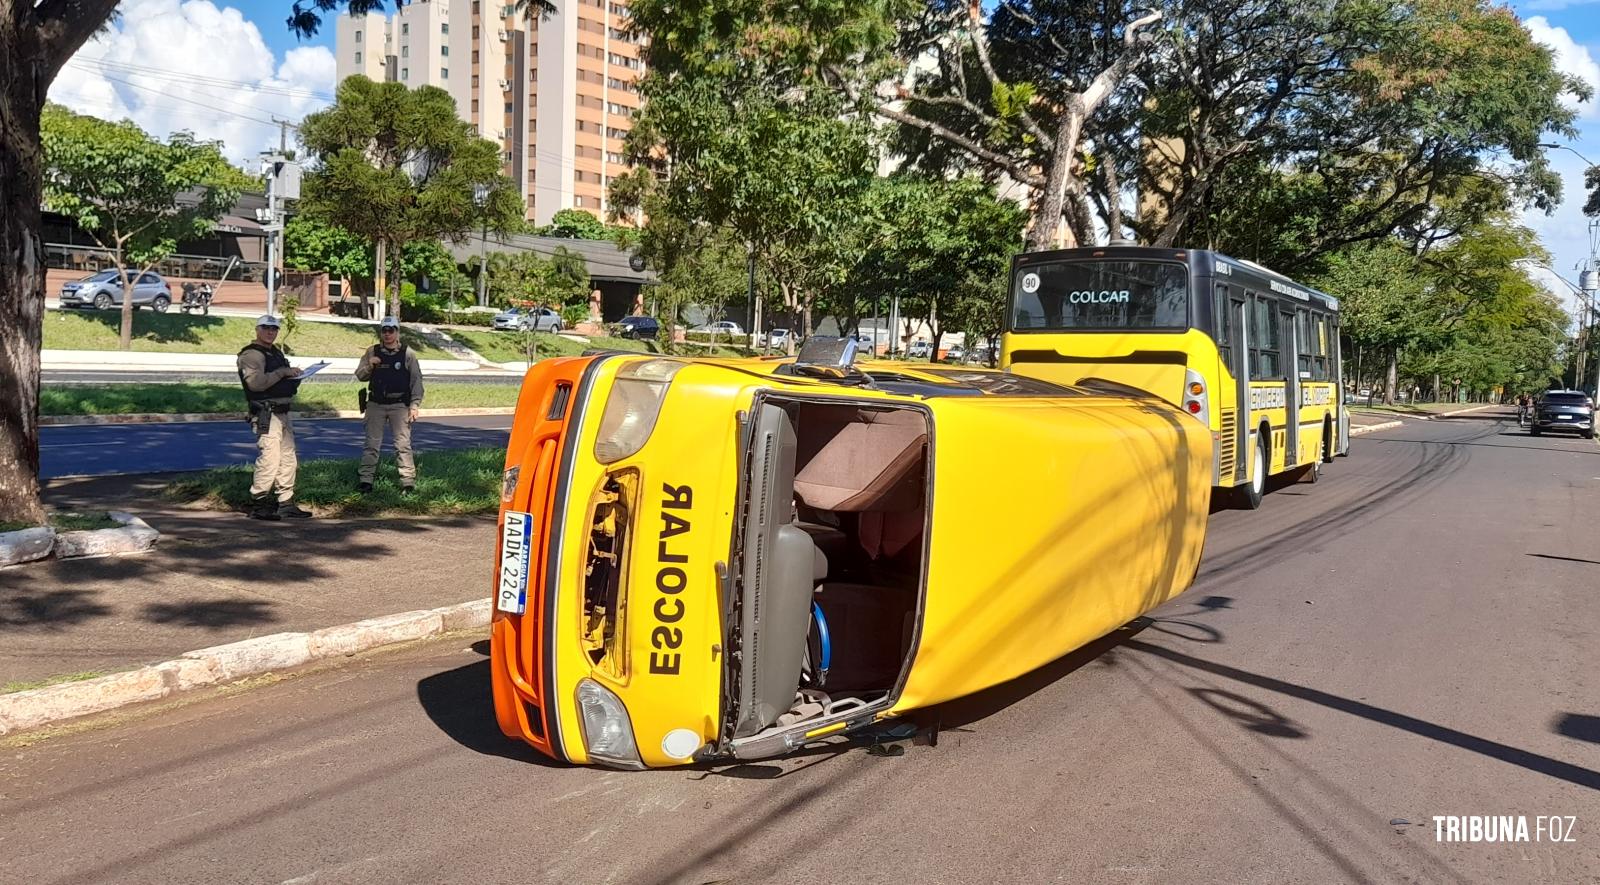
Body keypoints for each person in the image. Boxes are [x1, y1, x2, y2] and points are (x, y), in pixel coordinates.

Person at [237, 315, 310, 520]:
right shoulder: (251, 355)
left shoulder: (274, 352)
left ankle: (285, 502)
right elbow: (256, 384)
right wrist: (283, 372)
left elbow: (282, 379)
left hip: (283, 411)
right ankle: (259, 503)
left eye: (274, 328)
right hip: (265, 413)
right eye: (266, 328)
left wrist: (295, 376)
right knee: (269, 458)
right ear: (257, 329)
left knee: (288, 458)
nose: (271, 332)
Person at [355, 316, 425, 494]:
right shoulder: (373, 351)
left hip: (399, 405)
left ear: (397, 332)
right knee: (371, 444)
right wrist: (370, 366)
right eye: (384, 330)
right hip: (376, 404)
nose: (387, 334)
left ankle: (407, 482)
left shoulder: (408, 354)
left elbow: (416, 381)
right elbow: (360, 375)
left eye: (391, 330)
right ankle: (366, 480)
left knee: (402, 445)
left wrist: (414, 405)